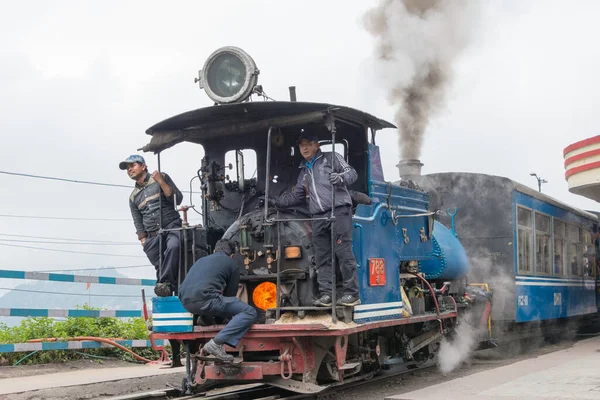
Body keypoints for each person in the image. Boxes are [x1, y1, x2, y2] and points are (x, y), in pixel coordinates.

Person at [268, 133, 361, 307]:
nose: (304, 148)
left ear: (316, 145)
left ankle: (352, 293)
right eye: (301, 145)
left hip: (338, 211)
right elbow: (297, 197)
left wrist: (341, 178)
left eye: (307, 144)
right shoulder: (304, 172)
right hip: (318, 216)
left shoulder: (331, 158)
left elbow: (351, 173)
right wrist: (275, 202)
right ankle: (327, 294)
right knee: (322, 257)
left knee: (343, 253)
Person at [178, 239, 257, 362]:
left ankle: (205, 318)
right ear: (231, 254)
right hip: (207, 300)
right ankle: (216, 343)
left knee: (216, 306)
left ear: (215, 250)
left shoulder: (200, 260)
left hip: (185, 302)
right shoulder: (231, 264)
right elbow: (230, 295)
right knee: (249, 312)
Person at [119, 154, 183, 297]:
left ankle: (165, 284)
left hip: (172, 226)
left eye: (133, 165)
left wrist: (161, 182)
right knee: (159, 264)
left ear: (143, 166)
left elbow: (177, 199)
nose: (130, 170)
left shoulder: (161, 177)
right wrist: (143, 241)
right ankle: (167, 292)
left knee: (174, 246)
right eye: (127, 168)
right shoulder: (133, 197)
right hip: (152, 236)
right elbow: (137, 221)